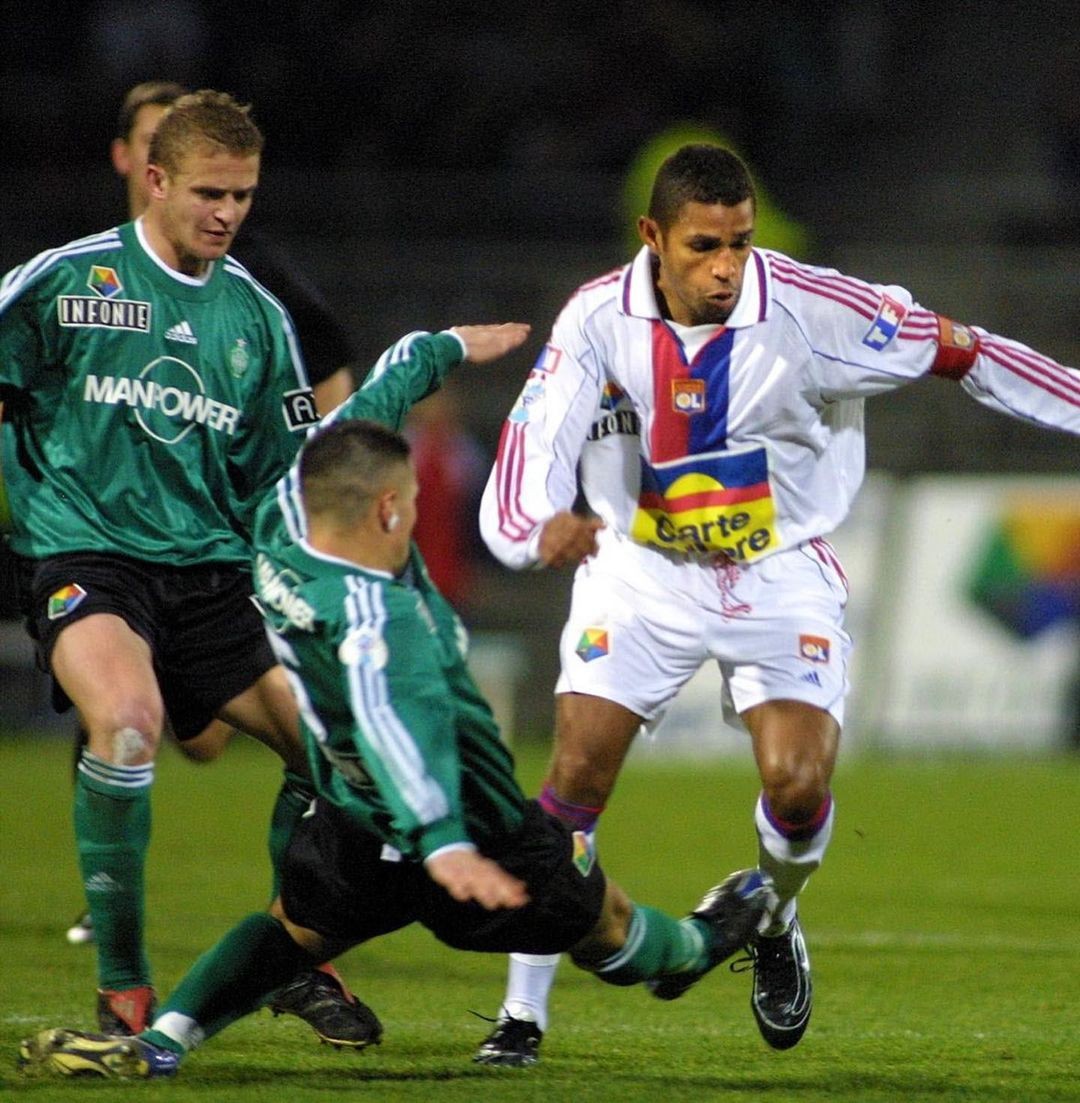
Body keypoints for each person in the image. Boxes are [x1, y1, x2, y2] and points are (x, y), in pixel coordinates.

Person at [17, 323, 777, 1080]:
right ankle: (698, 945)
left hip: (351, 815)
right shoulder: (380, 619)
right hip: (477, 833)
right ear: (386, 510)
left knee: (296, 930)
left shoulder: (284, 522)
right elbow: (396, 726)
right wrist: (443, 839)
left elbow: (362, 413)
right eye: (410, 499)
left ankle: (163, 1041)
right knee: (610, 930)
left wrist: (436, 349)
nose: (415, 510)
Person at [475, 143, 1080, 1064]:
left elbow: (969, 351)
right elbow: (534, 444)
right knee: (574, 780)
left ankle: (771, 913)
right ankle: (522, 1016)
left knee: (798, 784)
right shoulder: (597, 318)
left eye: (740, 243)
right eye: (704, 246)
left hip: (778, 569)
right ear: (654, 237)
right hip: (640, 573)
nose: (726, 267)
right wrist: (531, 532)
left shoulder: (813, 307)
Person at [0, 89, 377, 1046]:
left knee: (345, 755)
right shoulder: (62, 282)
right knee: (128, 725)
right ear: (153, 180)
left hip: (212, 576)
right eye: (210, 192)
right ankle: (123, 987)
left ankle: (292, 957)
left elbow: (283, 473)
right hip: (88, 557)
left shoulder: (256, 317)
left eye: (244, 197)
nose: (227, 214)